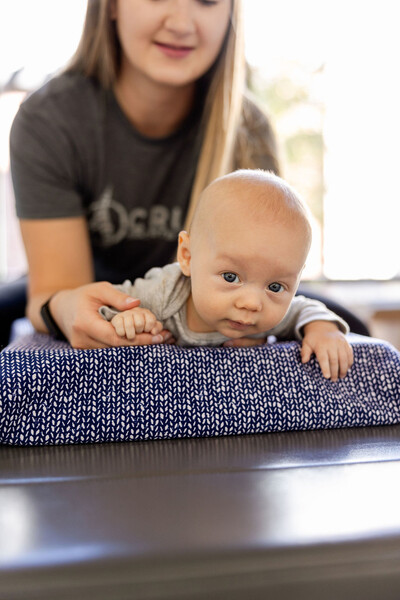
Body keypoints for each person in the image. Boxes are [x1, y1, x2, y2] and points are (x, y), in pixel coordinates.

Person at [5, 0, 368, 351]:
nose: (181, 23)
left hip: (225, 297)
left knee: (349, 327)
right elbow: (55, 291)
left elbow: (267, 263)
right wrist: (67, 308)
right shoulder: (49, 121)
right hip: (109, 291)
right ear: (111, 4)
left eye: (207, 1)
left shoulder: (247, 127)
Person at [100, 170, 354, 381]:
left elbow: (303, 310)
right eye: (231, 277)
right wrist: (126, 318)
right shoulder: (161, 294)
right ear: (187, 257)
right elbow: (102, 307)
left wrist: (324, 330)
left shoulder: (272, 314)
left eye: (275, 287)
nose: (252, 303)